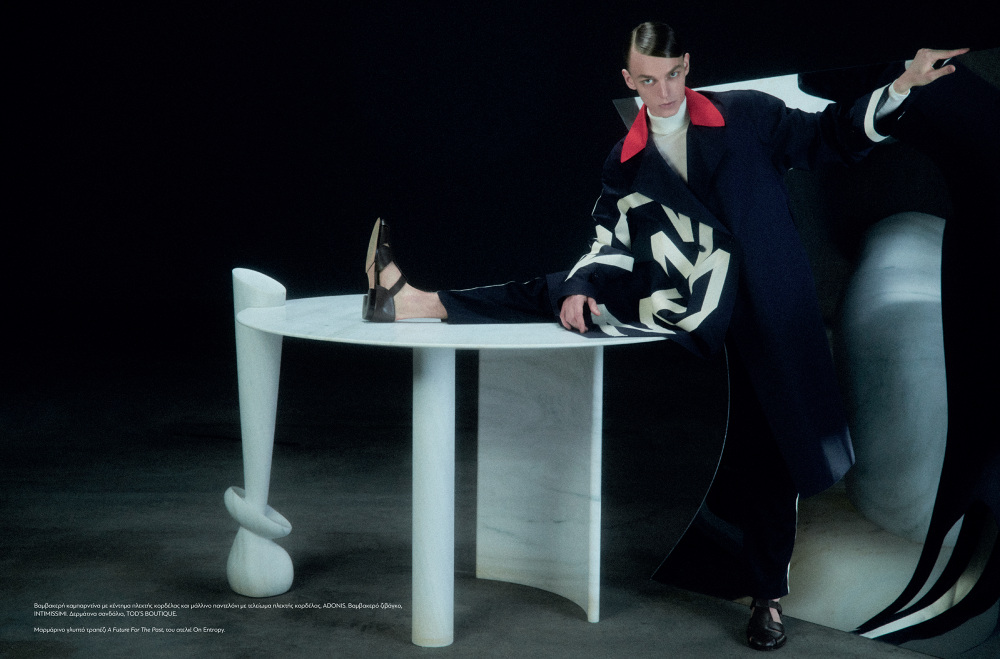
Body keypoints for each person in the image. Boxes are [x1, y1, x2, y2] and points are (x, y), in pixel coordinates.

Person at [362, 21, 965, 651]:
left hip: (764, 305)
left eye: (673, 74)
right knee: (559, 288)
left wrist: (903, 84)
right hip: (683, 298)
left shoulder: (747, 114)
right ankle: (417, 301)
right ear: (630, 80)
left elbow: (827, 136)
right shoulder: (624, 160)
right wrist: (582, 286)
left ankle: (768, 600)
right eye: (648, 81)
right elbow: (609, 241)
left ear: (687, 65)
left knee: (769, 452)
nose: (665, 90)